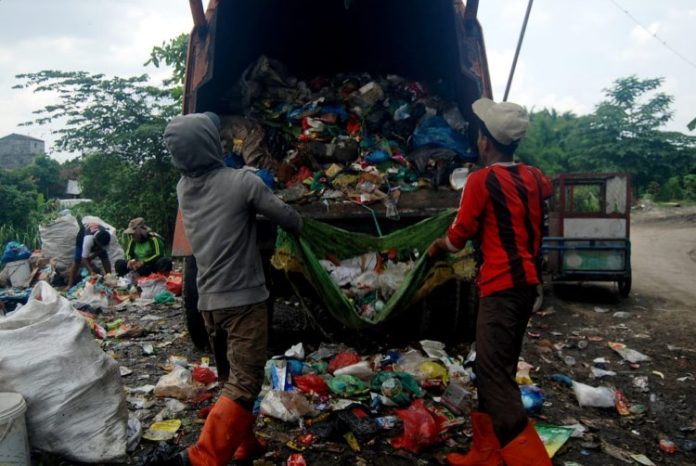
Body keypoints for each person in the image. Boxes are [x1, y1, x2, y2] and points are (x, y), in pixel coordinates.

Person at [159, 112, 302, 466]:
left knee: (230, 379)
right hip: (244, 300)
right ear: (212, 144)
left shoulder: (183, 188)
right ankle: (202, 457)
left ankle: (244, 444)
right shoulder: (243, 183)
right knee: (245, 383)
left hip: (209, 302)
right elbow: (289, 218)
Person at [428, 98, 552, 465]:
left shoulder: (481, 181)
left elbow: (457, 238)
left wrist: (437, 247)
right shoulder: (534, 176)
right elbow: (542, 190)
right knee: (495, 367)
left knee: (494, 376)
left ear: (485, 141)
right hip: (527, 286)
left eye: (481, 136)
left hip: (500, 285)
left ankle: (530, 460)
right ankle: (485, 453)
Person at [67, 222, 113, 288]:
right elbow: (84, 258)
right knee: (77, 259)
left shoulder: (107, 238)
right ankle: (69, 284)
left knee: (104, 257)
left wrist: (91, 257)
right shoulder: (88, 239)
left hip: (98, 239)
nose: (98, 247)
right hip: (82, 237)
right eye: (98, 245)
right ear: (95, 240)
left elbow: (102, 251)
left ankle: (110, 278)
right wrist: (91, 271)